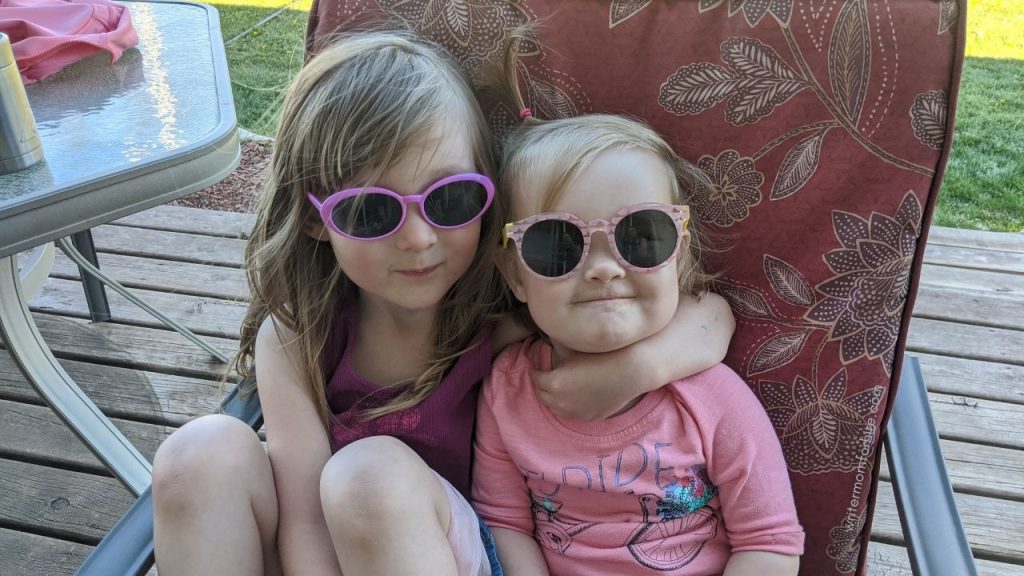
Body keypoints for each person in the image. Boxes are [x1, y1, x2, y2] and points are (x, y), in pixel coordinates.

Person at [151, 30, 735, 576]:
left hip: (456, 552)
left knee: (368, 478)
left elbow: (711, 318)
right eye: (371, 211)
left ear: (489, 191)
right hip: (323, 557)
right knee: (199, 454)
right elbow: (303, 519)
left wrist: (634, 370)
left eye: (450, 198)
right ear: (313, 218)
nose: (417, 238)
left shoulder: (504, 314)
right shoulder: (296, 338)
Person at [472, 52, 804, 574]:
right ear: (514, 274)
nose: (604, 269)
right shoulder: (506, 392)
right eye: (557, 244)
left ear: (681, 256)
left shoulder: (712, 399)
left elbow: (770, 541)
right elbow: (503, 524)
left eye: (641, 236)